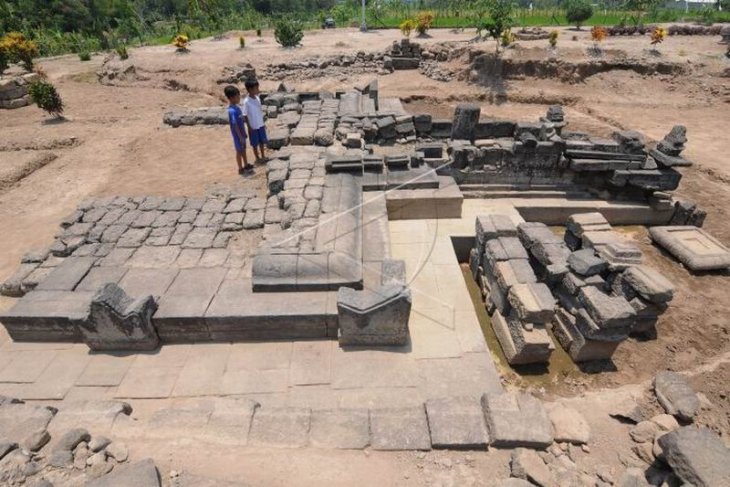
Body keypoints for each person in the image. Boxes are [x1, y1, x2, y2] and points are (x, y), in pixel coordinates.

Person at [224, 85, 254, 176]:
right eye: (238, 96)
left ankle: (246, 164)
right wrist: (240, 136)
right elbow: (234, 124)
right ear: (232, 98)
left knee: (243, 149)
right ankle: (240, 168)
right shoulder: (232, 111)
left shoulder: (237, 108)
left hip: (242, 133)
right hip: (238, 135)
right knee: (239, 151)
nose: (239, 98)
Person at [242, 78, 268, 164]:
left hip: (260, 124)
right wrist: (249, 127)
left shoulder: (257, 98)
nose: (258, 90)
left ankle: (263, 156)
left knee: (262, 141)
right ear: (250, 89)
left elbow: (259, 111)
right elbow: (245, 115)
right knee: (254, 143)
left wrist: (263, 123)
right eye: (256, 88)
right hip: (253, 125)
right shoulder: (246, 101)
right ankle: (257, 158)